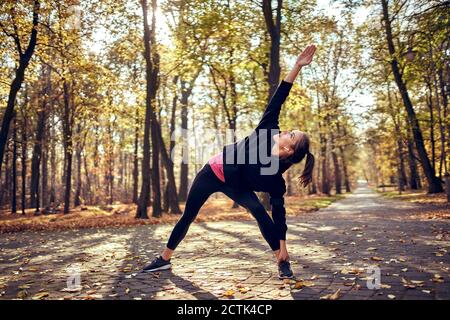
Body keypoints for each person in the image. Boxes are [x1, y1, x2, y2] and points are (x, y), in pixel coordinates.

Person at [143, 45, 317, 279]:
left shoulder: (275, 179)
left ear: (289, 149)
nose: (287, 131)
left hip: (236, 186)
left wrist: (283, 245)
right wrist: (297, 66)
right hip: (213, 171)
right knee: (188, 215)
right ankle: (164, 259)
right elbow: (280, 95)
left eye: (292, 134)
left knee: (259, 211)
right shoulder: (268, 129)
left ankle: (282, 261)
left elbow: (279, 214)